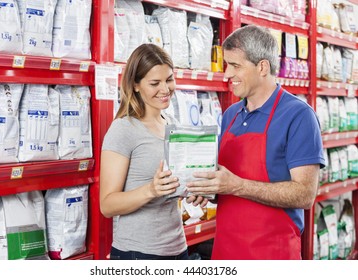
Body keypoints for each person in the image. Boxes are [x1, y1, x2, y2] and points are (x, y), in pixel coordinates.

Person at [186, 25, 325, 260]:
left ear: (262, 67)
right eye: (226, 64)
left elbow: (304, 194)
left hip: (272, 254)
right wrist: (209, 189)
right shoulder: (230, 115)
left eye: (235, 65)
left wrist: (235, 186)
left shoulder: (298, 115)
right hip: (226, 251)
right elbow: (227, 180)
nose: (227, 74)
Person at [100, 43, 205, 260]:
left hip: (177, 248)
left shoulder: (172, 123)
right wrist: (151, 190)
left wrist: (194, 190)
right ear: (136, 85)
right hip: (138, 253)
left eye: (169, 79)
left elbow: (175, 185)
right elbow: (107, 205)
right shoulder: (123, 129)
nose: (165, 89)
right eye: (155, 83)